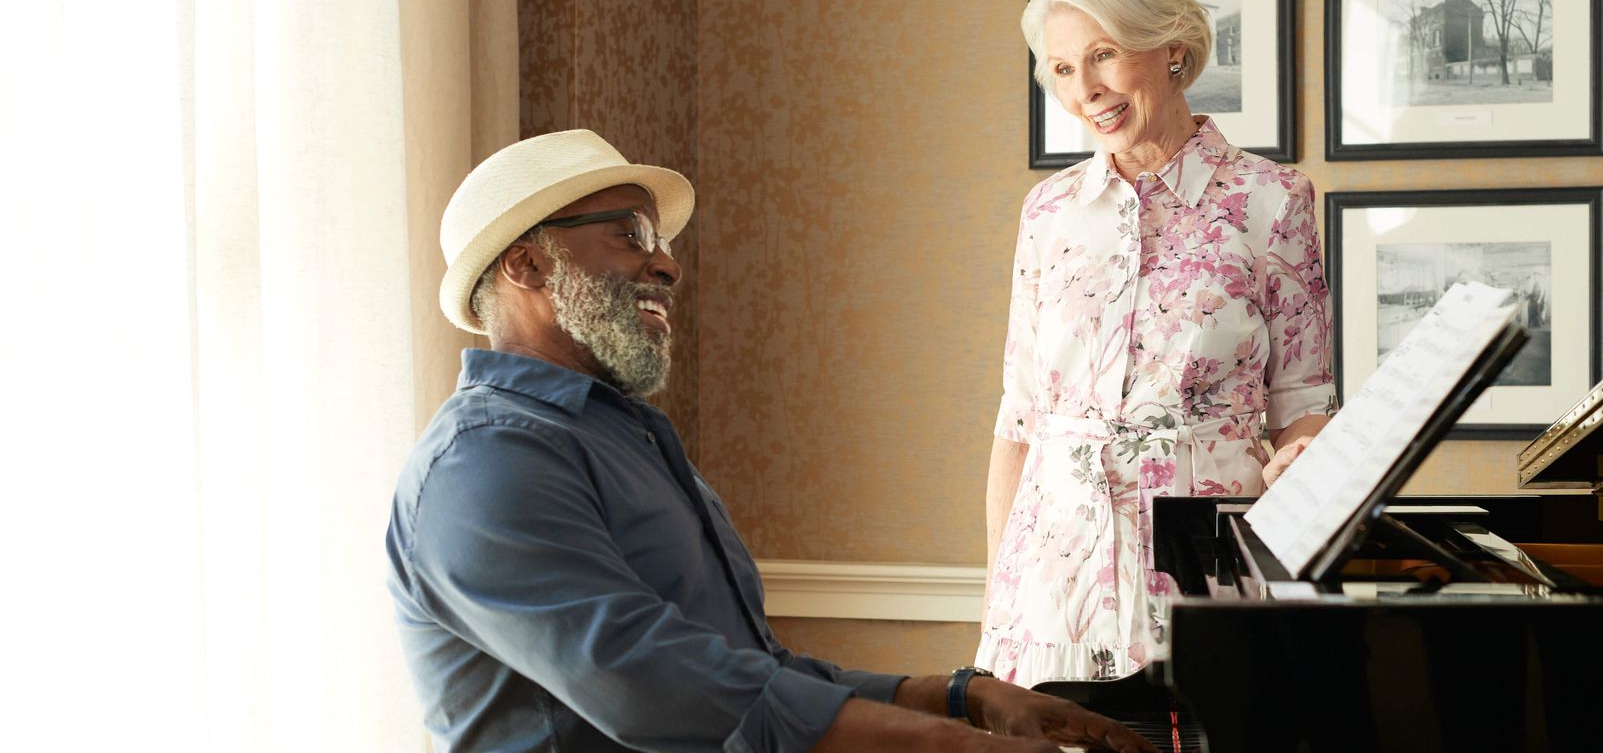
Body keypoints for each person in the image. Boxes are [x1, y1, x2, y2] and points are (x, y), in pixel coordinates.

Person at [386, 129, 1158, 753]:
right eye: (629, 235)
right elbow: (653, 685)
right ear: (527, 264)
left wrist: (959, 696)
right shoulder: (484, 465)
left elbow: (755, 673)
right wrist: (943, 743)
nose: (666, 262)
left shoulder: (625, 437)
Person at [978, 0, 1337, 684]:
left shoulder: (1272, 202)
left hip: (1204, 576)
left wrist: (1304, 457)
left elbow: (1304, 407)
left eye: (1104, 55)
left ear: (1170, 47)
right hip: (1050, 592)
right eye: (1065, 69)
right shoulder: (1047, 213)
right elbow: (1019, 423)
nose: (1087, 91)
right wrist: (998, 601)